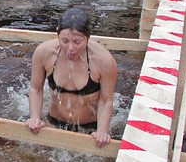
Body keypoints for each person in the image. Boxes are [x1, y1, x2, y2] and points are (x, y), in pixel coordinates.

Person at [25, 8, 118, 147]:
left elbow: (106, 100)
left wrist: (102, 132)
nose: (70, 48)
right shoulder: (44, 53)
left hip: (89, 130)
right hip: (54, 124)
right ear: (57, 35)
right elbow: (35, 89)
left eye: (77, 42)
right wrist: (35, 118)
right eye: (65, 40)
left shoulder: (103, 61)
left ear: (87, 38)